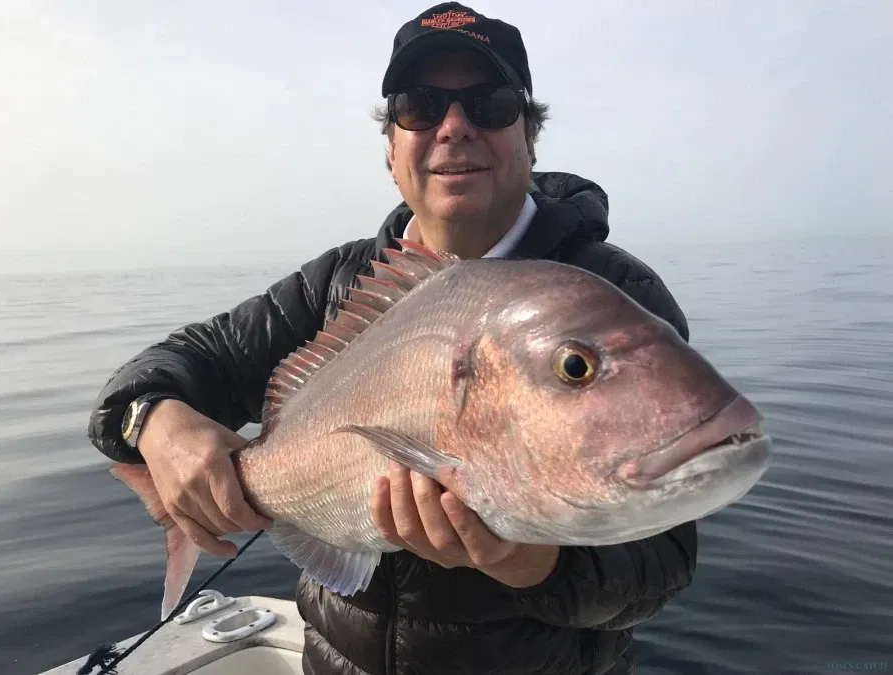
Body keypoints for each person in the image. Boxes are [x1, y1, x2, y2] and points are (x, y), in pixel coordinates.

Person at [88, 3, 698, 673]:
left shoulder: (612, 295)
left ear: (531, 137)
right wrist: (158, 423)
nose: (454, 127)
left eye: (491, 105)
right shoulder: (335, 285)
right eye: (419, 106)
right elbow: (168, 369)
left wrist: (534, 563)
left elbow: (664, 562)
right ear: (390, 148)